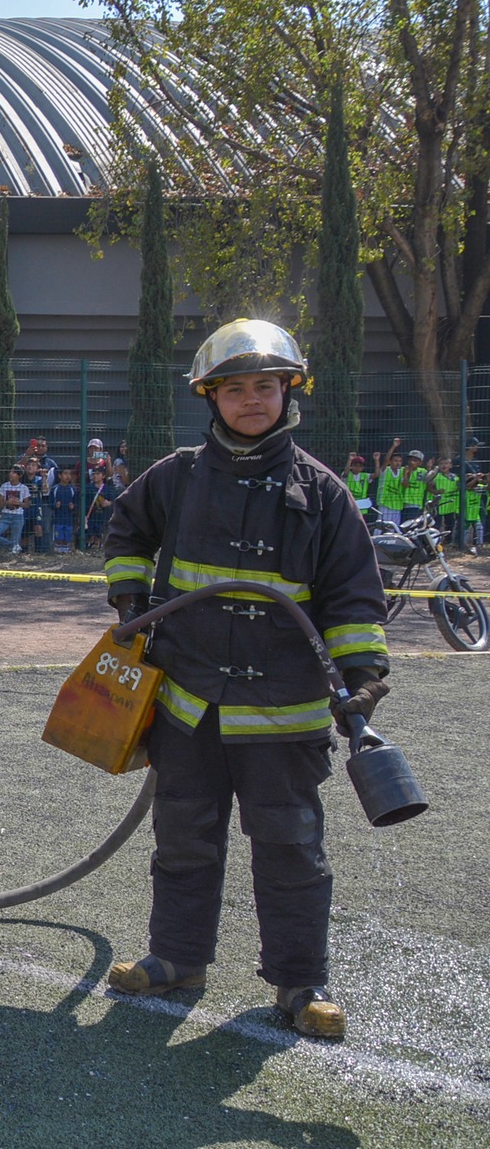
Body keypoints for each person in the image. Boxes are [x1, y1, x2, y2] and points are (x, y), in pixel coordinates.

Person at [102, 319, 389, 1040]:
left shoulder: (322, 495)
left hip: (284, 715)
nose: (251, 400)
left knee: (291, 847)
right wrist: (132, 603)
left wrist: (363, 675)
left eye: (265, 385)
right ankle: (177, 958)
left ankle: (300, 981)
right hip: (189, 705)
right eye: (236, 388)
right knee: (184, 838)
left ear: (289, 391)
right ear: (212, 397)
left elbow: (354, 594)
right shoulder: (176, 476)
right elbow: (126, 530)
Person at [0, 467, 30, 554]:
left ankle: (15, 548)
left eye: (14, 472)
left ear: (20, 475)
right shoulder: (4, 486)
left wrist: (19, 503)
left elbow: (27, 505)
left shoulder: (24, 488)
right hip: (5, 515)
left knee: (16, 539)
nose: (11, 474)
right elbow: (0, 504)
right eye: (10, 472)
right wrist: (7, 502)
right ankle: (13, 545)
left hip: (18, 516)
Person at [375, 442, 408, 526]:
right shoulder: (385, 470)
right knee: (381, 526)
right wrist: (394, 446)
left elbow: (405, 485)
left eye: (400, 461)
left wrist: (406, 474)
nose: (398, 463)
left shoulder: (402, 471)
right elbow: (386, 460)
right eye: (395, 460)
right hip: (385, 504)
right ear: (390, 462)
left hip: (397, 505)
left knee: (394, 528)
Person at [431, 457, 462, 541]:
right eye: (441, 463)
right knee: (437, 525)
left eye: (446, 463)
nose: (443, 465)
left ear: (450, 465)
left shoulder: (455, 477)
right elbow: (429, 488)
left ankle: (448, 541)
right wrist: (437, 491)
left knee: (450, 524)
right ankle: (435, 541)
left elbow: (459, 488)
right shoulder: (436, 476)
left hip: (451, 505)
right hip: (440, 505)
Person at [51, 465, 79, 553]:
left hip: (69, 518)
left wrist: (73, 506)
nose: (68, 476)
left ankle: (66, 548)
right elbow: (50, 502)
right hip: (57, 518)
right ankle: (58, 548)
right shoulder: (55, 489)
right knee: (58, 533)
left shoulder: (72, 489)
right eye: (65, 474)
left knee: (67, 533)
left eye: (70, 474)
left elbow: (77, 503)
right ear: (59, 476)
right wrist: (55, 505)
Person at [342, 453, 373, 522]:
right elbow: (345, 473)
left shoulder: (365, 476)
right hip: (350, 503)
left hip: (361, 505)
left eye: (360, 466)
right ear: (351, 466)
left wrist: (376, 460)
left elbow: (376, 474)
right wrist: (349, 460)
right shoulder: (347, 474)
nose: (357, 467)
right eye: (355, 465)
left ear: (362, 468)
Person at [402, 449, 429, 522]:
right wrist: (406, 474)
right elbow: (405, 484)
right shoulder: (403, 470)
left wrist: (430, 468)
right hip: (402, 503)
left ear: (420, 463)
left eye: (415, 460)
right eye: (410, 460)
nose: (411, 462)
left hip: (415, 504)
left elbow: (430, 482)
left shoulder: (423, 471)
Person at [466, 474, 486, 554]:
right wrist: (475, 479)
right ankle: (464, 546)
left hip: (475, 514)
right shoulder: (465, 490)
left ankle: (479, 545)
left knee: (479, 529)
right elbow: (467, 487)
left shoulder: (479, 488)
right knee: (465, 532)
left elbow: (487, 487)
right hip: (466, 515)